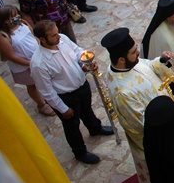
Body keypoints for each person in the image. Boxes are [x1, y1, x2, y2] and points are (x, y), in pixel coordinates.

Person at [102, 27, 174, 183]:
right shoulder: (123, 93)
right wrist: (171, 120)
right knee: (163, 175)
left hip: (165, 115)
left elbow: (146, 65)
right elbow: (140, 126)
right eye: (133, 53)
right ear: (121, 59)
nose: (138, 54)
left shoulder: (127, 64)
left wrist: (161, 61)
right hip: (156, 140)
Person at [30, 20, 114, 164]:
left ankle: (95, 128)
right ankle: (80, 152)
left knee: (87, 111)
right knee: (72, 126)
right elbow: (46, 91)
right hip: (66, 97)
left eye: (57, 32)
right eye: (53, 35)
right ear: (42, 39)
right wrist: (62, 108)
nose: (58, 37)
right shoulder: (39, 63)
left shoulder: (63, 39)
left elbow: (77, 51)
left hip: (82, 85)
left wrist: (85, 63)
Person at [0, 6, 54, 115]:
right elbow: (12, 56)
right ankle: (41, 104)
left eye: (16, 14)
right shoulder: (3, 36)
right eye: (13, 16)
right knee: (32, 84)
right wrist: (30, 63)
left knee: (44, 79)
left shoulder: (22, 23)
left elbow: (33, 35)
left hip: (37, 58)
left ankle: (49, 96)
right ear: (5, 21)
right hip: (24, 66)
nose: (16, 17)